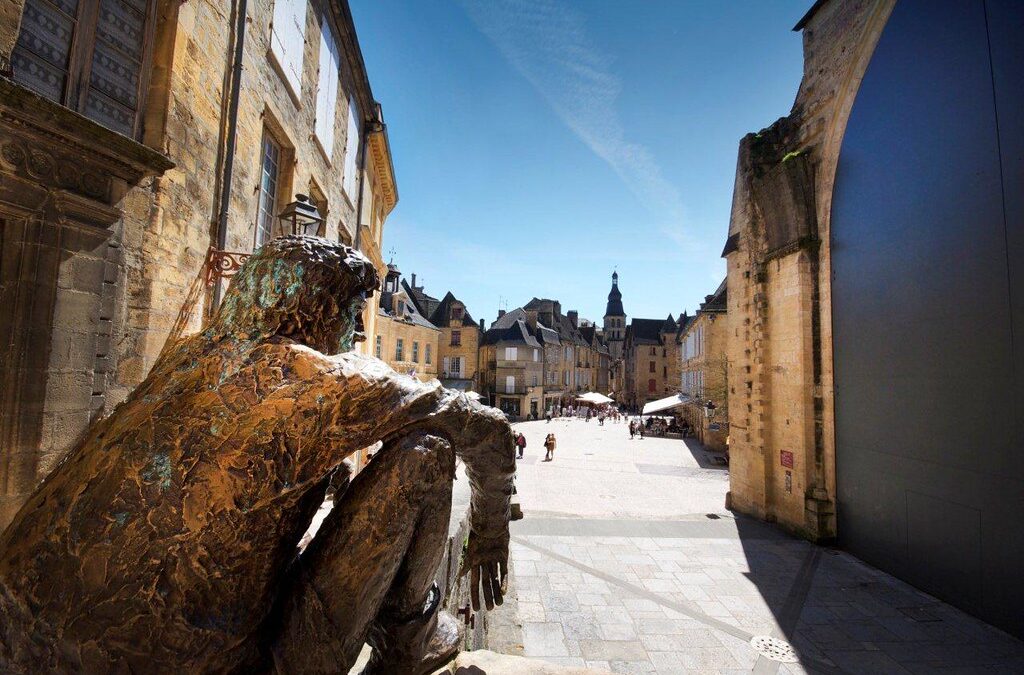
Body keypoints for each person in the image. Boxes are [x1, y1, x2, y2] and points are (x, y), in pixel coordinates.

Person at [0, 236, 514, 674]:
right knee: (427, 453)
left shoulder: (186, 358)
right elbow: (487, 431)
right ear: (319, 308)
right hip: (193, 662)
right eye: (349, 317)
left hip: (20, 628)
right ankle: (407, 642)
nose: (350, 338)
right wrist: (490, 531)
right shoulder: (313, 379)